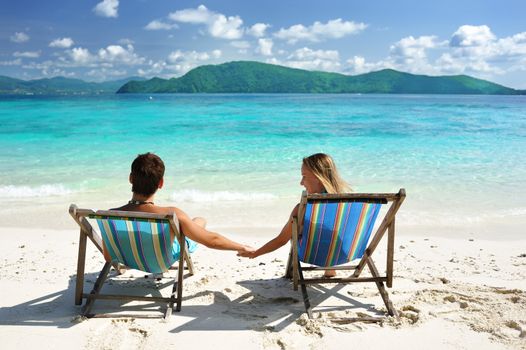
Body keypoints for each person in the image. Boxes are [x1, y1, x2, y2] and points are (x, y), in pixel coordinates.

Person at [103, 152, 254, 264]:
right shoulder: (171, 214)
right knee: (199, 221)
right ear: (161, 183)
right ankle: (194, 225)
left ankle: (193, 225)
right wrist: (241, 246)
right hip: (159, 261)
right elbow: (211, 240)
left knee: (196, 222)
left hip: (125, 257)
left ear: (130, 178)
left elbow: (107, 256)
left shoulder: (109, 215)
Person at [238, 153, 350, 277]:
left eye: (304, 176)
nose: (301, 183)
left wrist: (256, 253)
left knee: (298, 231)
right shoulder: (348, 205)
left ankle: (324, 267)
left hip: (313, 255)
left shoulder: (304, 208)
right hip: (343, 253)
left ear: (319, 177)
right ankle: (330, 269)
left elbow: (281, 240)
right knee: (327, 229)